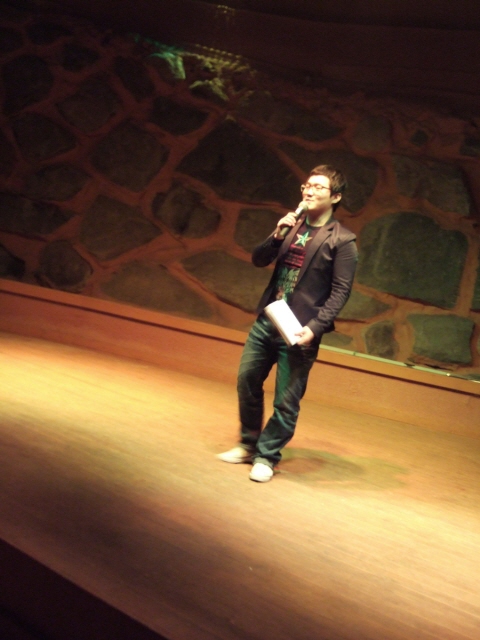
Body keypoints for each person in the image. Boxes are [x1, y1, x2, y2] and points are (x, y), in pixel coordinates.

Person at [218, 165, 358, 482]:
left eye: (318, 187)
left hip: (299, 329)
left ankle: (267, 456)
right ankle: (248, 444)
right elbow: (259, 259)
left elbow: (341, 292)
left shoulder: (342, 240)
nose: (309, 191)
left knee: (286, 399)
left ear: (335, 197)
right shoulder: (292, 225)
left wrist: (315, 328)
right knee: (247, 380)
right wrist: (278, 234)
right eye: (306, 185)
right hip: (269, 319)